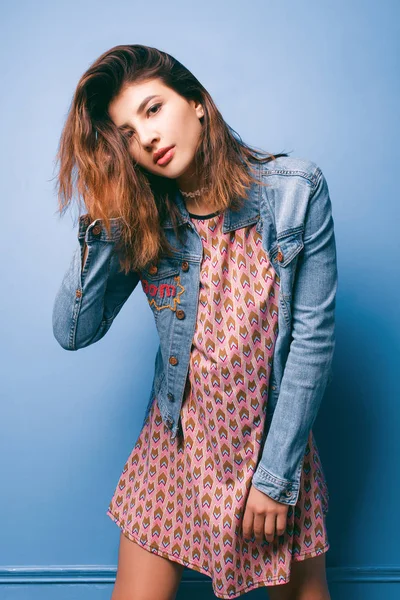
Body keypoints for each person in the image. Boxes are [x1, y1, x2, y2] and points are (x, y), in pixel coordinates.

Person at [52, 44, 337, 600]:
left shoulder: (296, 193)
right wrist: (105, 209)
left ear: (197, 102)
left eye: (153, 110)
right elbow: (73, 330)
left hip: (269, 446)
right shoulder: (144, 219)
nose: (147, 138)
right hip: (176, 446)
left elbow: (312, 343)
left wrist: (276, 478)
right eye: (127, 135)